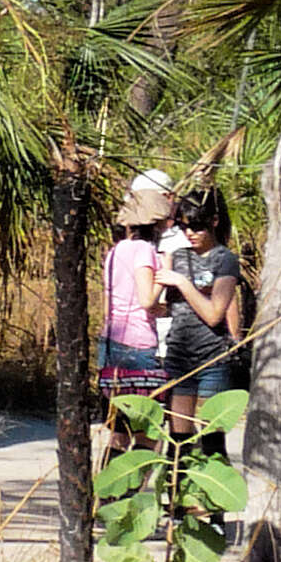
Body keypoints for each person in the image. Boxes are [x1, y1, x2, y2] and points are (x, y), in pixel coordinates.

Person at [162, 183, 246, 455]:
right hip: (179, 355)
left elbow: (213, 314)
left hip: (212, 359)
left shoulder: (225, 259)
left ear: (214, 222)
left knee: (211, 441)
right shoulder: (177, 257)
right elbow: (159, 305)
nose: (190, 234)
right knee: (179, 442)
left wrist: (182, 283)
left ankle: (214, 498)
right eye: (184, 227)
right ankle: (179, 496)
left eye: (197, 227)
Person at [98, 171, 173, 448]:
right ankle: (134, 491)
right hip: (138, 345)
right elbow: (146, 301)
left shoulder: (116, 250)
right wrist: (165, 273)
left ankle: (109, 490)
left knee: (119, 430)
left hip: (111, 342)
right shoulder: (145, 251)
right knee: (147, 432)